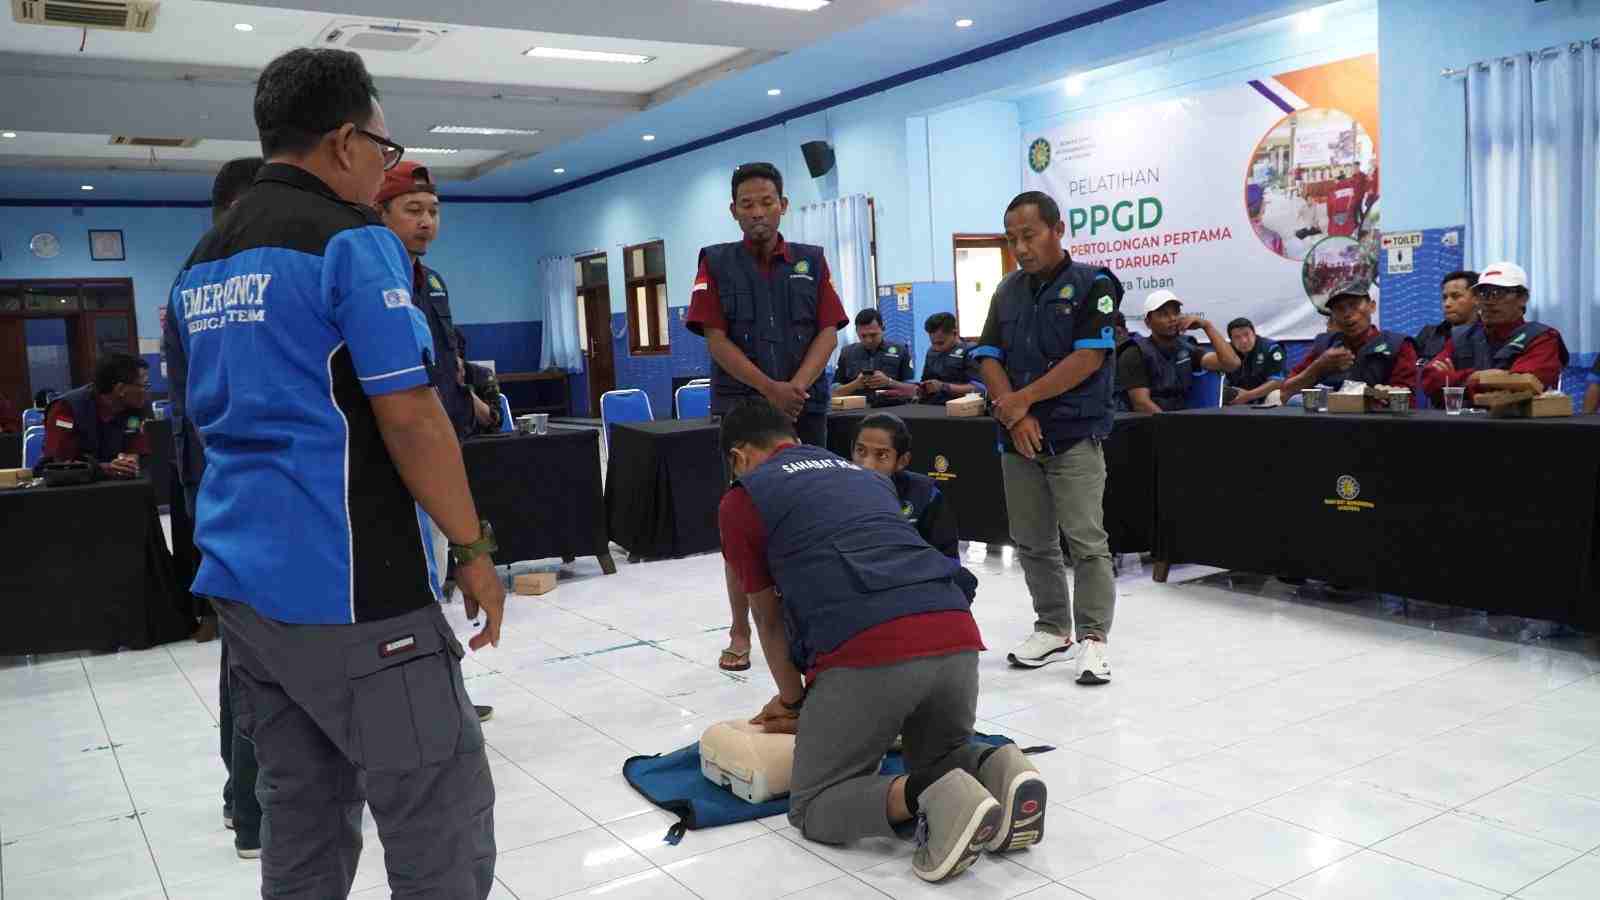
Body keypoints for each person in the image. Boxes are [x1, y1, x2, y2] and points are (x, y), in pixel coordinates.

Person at [167, 47, 503, 898]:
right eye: (385, 151)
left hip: (244, 584)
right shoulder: (352, 241)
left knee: (303, 809)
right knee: (438, 812)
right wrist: (472, 549)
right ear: (346, 141)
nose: (385, 170)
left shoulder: (200, 263)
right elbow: (411, 414)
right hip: (355, 584)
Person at [720, 398, 1043, 883]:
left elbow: (767, 620)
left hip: (870, 647)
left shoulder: (743, 498)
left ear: (739, 456)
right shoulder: (865, 476)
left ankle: (933, 796)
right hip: (954, 628)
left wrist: (793, 702)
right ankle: (1001, 766)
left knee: (814, 804)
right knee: (939, 752)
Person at [686, 161, 847, 672]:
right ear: (733, 211)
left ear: (783, 205)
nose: (758, 212)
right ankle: (741, 631)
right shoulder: (715, 262)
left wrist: (795, 388)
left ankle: (818, 623)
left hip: (805, 407)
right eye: (747, 204)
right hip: (744, 414)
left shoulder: (811, 261)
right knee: (743, 524)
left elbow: (828, 331)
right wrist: (770, 390)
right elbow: (716, 340)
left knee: (812, 517)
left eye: (766, 202)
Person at [160, 155, 265, 856]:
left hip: (220, 484)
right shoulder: (224, 274)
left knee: (246, 650)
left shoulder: (194, 275)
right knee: (259, 653)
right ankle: (252, 806)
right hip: (240, 486)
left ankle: (243, 799)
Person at [974, 191, 1122, 683]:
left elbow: (1089, 357)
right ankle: (1054, 629)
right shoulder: (1007, 290)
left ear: (1058, 230)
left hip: (1074, 433)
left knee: (1086, 540)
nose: (1020, 248)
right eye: (1012, 239)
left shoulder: (1094, 284)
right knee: (1032, 540)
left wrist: (1023, 400)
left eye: (1029, 235)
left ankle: (1093, 639)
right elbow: (988, 355)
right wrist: (1015, 416)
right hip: (1018, 438)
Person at [376, 162, 497, 725]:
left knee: (438, 573)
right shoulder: (375, 280)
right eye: (412, 210)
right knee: (416, 581)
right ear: (381, 214)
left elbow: (443, 357)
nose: (426, 222)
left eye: (432, 211)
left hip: (445, 443)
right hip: (402, 457)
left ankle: (440, 694)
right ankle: (427, 701)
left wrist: (468, 396)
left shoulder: (432, 281)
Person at [1420, 262, 1569, 406]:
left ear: (1522, 299)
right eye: (1483, 294)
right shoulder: (1462, 336)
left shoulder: (1541, 337)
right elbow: (1430, 379)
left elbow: (1522, 387)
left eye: (1498, 293)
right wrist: (1480, 377)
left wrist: (1455, 379)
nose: (1488, 301)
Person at [1279, 279, 1417, 402]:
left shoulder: (1398, 345)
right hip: (1328, 420)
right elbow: (1285, 393)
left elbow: (1407, 402)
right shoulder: (1325, 345)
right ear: (1332, 316)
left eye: (1354, 305)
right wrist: (1318, 367)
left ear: (1372, 306)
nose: (1347, 314)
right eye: (1339, 309)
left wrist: (1386, 395)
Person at [851, 413, 960, 559]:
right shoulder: (836, 490)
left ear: (902, 461)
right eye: (860, 451)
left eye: (881, 455)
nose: (867, 465)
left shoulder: (926, 496)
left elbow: (948, 560)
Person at [1116, 290, 1240, 413]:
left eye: (1176, 313)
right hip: (1146, 422)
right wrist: (1174, 424)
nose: (1172, 319)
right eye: (1164, 314)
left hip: (1180, 418)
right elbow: (1141, 404)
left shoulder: (1186, 347)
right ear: (1148, 323)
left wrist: (1207, 326)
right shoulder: (1134, 352)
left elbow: (1231, 364)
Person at [40, 353, 151, 478]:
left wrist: (131, 458)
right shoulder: (65, 411)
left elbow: (135, 440)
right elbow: (60, 461)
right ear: (120, 389)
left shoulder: (135, 410)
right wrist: (104, 468)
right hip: (75, 484)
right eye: (143, 386)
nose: (147, 392)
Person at [834, 308, 916, 405]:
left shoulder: (901, 351)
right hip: (856, 409)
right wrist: (855, 384)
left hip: (892, 408)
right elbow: (833, 392)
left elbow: (913, 390)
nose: (868, 340)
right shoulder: (847, 353)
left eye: (873, 335)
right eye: (863, 336)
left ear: (883, 329)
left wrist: (889, 382)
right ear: (856, 332)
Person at [1414, 270, 1479, 361]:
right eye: (1444, 298)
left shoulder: (1488, 336)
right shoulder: (1428, 334)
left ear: (1476, 299)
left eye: (1455, 296)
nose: (1447, 304)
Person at [918, 312, 983, 404]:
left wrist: (943, 387)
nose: (937, 348)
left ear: (954, 333)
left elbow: (981, 388)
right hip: (931, 405)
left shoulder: (972, 351)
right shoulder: (931, 351)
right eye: (933, 343)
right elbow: (925, 381)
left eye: (941, 343)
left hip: (960, 407)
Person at [1222, 317, 1286, 406]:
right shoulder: (1226, 352)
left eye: (1246, 334)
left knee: (1276, 395)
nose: (1244, 341)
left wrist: (1248, 396)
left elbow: (1277, 382)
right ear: (1231, 340)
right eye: (1237, 337)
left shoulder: (1272, 348)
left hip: (1265, 394)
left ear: (1254, 333)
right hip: (1238, 395)